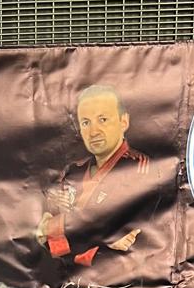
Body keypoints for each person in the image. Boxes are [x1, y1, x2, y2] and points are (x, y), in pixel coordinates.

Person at [36, 84, 150, 268]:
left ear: (123, 122)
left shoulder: (139, 166)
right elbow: (42, 231)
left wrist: (52, 230)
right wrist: (100, 242)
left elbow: (106, 227)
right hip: (65, 279)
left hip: (115, 281)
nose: (93, 131)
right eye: (86, 123)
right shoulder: (74, 170)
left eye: (103, 119)